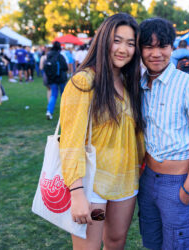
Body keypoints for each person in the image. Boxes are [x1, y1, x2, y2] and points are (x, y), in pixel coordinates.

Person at [59, 13, 144, 249]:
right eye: (117, 40)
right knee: (89, 246)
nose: (123, 49)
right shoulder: (84, 82)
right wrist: (76, 194)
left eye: (130, 43)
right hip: (92, 187)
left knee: (116, 241)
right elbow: (70, 141)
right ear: (104, 39)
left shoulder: (130, 83)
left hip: (125, 181)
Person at [138, 17, 189, 250]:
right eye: (149, 46)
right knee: (151, 241)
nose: (156, 53)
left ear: (172, 48)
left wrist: (188, 186)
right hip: (147, 179)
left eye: (162, 46)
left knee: (177, 244)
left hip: (177, 182)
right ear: (140, 49)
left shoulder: (187, 85)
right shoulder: (139, 85)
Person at [45, 41, 68, 120]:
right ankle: (66, 112)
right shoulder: (60, 56)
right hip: (61, 79)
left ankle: (49, 111)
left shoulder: (49, 56)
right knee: (64, 95)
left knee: (53, 95)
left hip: (52, 79)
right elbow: (65, 67)